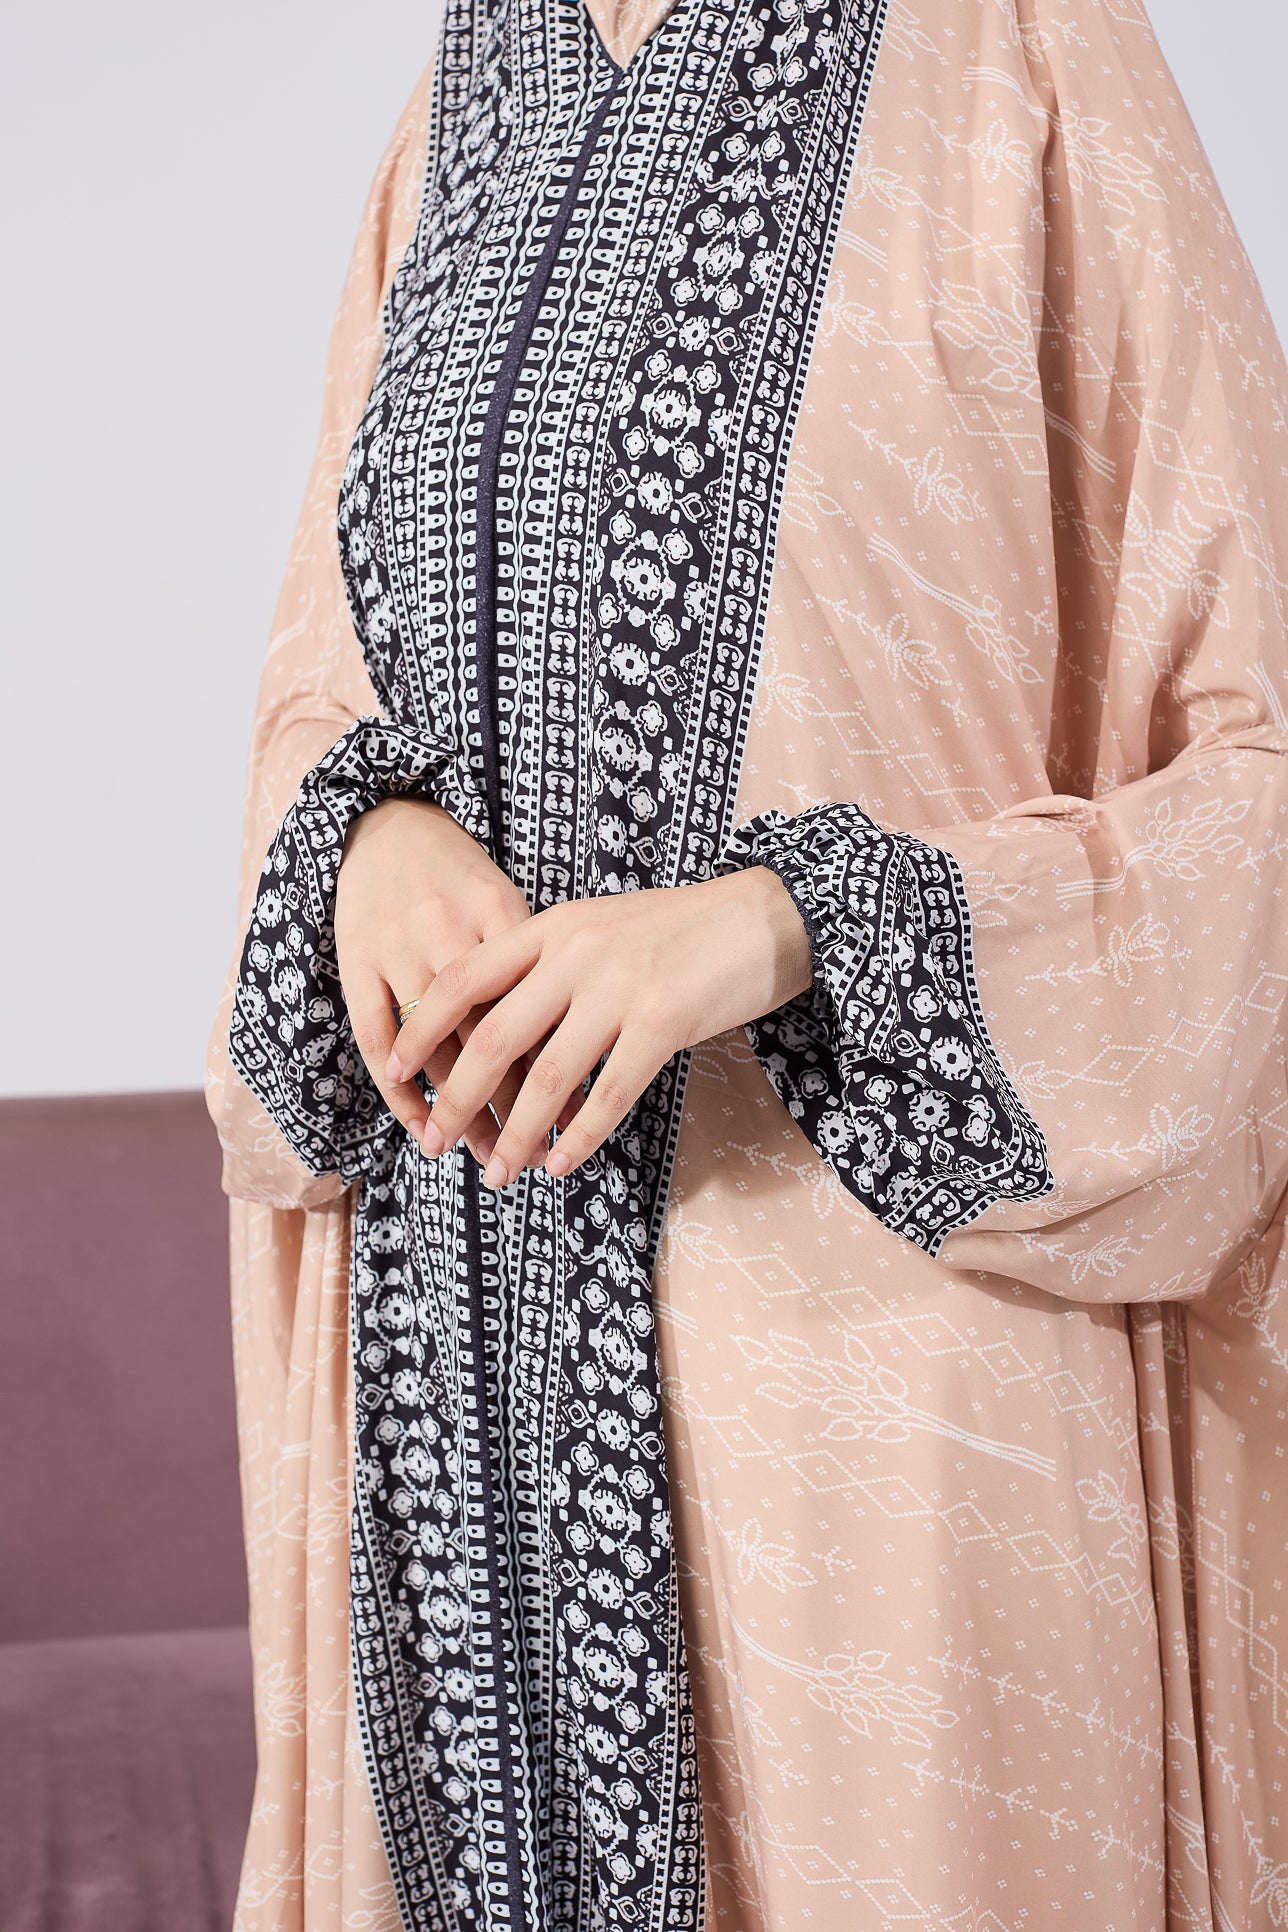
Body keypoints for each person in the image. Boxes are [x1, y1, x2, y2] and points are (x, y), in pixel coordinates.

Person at [205, 0, 1288, 1924]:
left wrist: (790, 921)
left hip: (898, 1373)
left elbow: (1259, 763)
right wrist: (364, 837)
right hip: (465, 1378)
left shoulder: (1028, 57)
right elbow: (322, 684)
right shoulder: (463, 95)